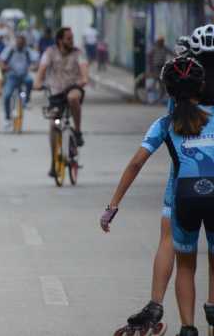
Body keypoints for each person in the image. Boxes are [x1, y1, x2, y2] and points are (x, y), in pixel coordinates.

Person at [100, 56, 214, 336]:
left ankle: (188, 328)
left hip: (184, 198)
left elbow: (136, 163)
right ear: (201, 87)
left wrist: (113, 205)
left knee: (186, 265)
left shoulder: (164, 124)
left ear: (168, 91)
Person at [34, 27, 89, 176]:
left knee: (73, 98)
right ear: (60, 40)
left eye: (72, 38)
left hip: (73, 87)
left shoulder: (78, 53)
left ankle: (77, 132)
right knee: (53, 125)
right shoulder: (50, 52)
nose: (72, 41)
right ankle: (53, 163)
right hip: (56, 92)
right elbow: (42, 70)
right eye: (69, 39)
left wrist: (83, 80)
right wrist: (38, 82)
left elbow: (84, 72)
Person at [0, 35, 35, 118]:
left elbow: (35, 60)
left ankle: (27, 100)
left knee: (30, 81)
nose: (20, 44)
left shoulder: (27, 51)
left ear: (24, 43)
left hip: (24, 75)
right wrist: (4, 67)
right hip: (12, 76)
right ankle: (8, 116)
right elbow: (1, 60)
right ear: (16, 42)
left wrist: (34, 66)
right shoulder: (10, 50)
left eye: (22, 43)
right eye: (18, 43)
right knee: (7, 95)